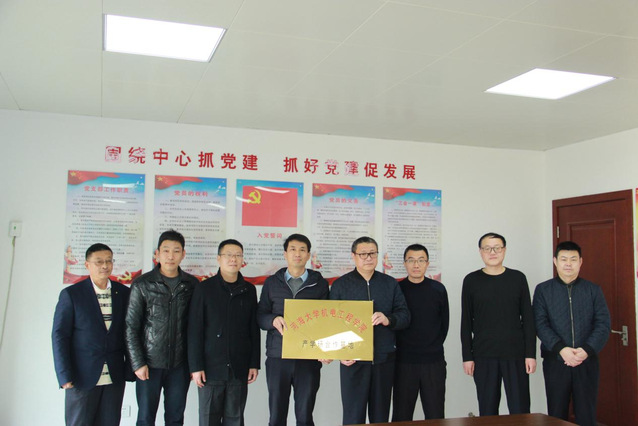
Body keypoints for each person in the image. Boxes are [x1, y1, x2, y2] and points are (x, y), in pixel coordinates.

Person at [329, 236, 410, 425]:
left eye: (372, 253)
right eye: (363, 254)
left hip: (383, 360)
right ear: (353, 256)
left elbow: (405, 315)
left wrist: (388, 319)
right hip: (352, 361)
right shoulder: (341, 285)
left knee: (380, 416)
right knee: (353, 416)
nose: (368, 258)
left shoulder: (389, 283)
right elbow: (331, 323)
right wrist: (339, 353)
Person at [52, 243, 131, 426]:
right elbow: (60, 336)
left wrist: (129, 368)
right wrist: (64, 375)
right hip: (81, 377)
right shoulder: (72, 294)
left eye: (109, 261)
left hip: (114, 376)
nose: (105, 266)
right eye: (99, 262)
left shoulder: (124, 293)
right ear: (87, 265)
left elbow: (129, 333)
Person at [533, 241, 610, 426]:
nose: (568, 264)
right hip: (555, 360)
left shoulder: (593, 290)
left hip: (586, 361)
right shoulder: (543, 290)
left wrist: (586, 350)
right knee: (556, 414)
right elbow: (540, 324)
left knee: (586, 414)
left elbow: (603, 324)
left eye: (573, 259)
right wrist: (561, 349)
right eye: (564, 259)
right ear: (555, 261)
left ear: (580, 262)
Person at [125, 230, 198, 425]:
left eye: (176, 251)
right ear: (157, 253)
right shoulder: (142, 284)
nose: (170, 256)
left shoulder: (191, 284)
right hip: (149, 364)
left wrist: (194, 364)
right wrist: (137, 363)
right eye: (166, 250)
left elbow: (196, 327)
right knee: (145, 418)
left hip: (180, 365)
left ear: (183, 254)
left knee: (175, 419)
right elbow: (131, 327)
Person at [460, 232, 536, 416]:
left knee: (520, 409)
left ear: (504, 250)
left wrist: (530, 354)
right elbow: (466, 322)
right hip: (484, 354)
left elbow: (528, 319)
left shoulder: (518, 278)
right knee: (487, 410)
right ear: (480, 251)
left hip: (515, 354)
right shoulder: (471, 280)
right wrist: (467, 356)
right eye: (487, 248)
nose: (492, 252)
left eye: (497, 248)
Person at [258, 234, 329, 426]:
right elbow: (261, 315)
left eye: (302, 250)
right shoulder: (272, 283)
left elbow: (326, 321)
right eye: (293, 249)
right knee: (276, 416)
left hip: (308, 357)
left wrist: (325, 349)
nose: (297, 254)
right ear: (285, 254)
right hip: (278, 356)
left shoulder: (319, 283)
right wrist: (273, 320)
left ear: (308, 255)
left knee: (305, 416)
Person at [188, 239, 260, 426]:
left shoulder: (249, 290)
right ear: (219, 258)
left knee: (235, 419)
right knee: (208, 419)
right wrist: (196, 366)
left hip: (239, 367)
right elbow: (195, 330)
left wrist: (254, 363)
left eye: (238, 255)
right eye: (228, 255)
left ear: (242, 260)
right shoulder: (204, 288)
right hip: (210, 369)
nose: (233, 259)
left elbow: (253, 329)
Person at [392, 244, 449, 421]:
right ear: (404, 263)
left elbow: (444, 325)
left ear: (427, 263)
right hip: (403, 362)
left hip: (433, 362)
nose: (416, 265)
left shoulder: (438, 289)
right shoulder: (397, 289)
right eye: (411, 260)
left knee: (435, 415)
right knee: (401, 415)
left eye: (421, 260)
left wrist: (432, 347)